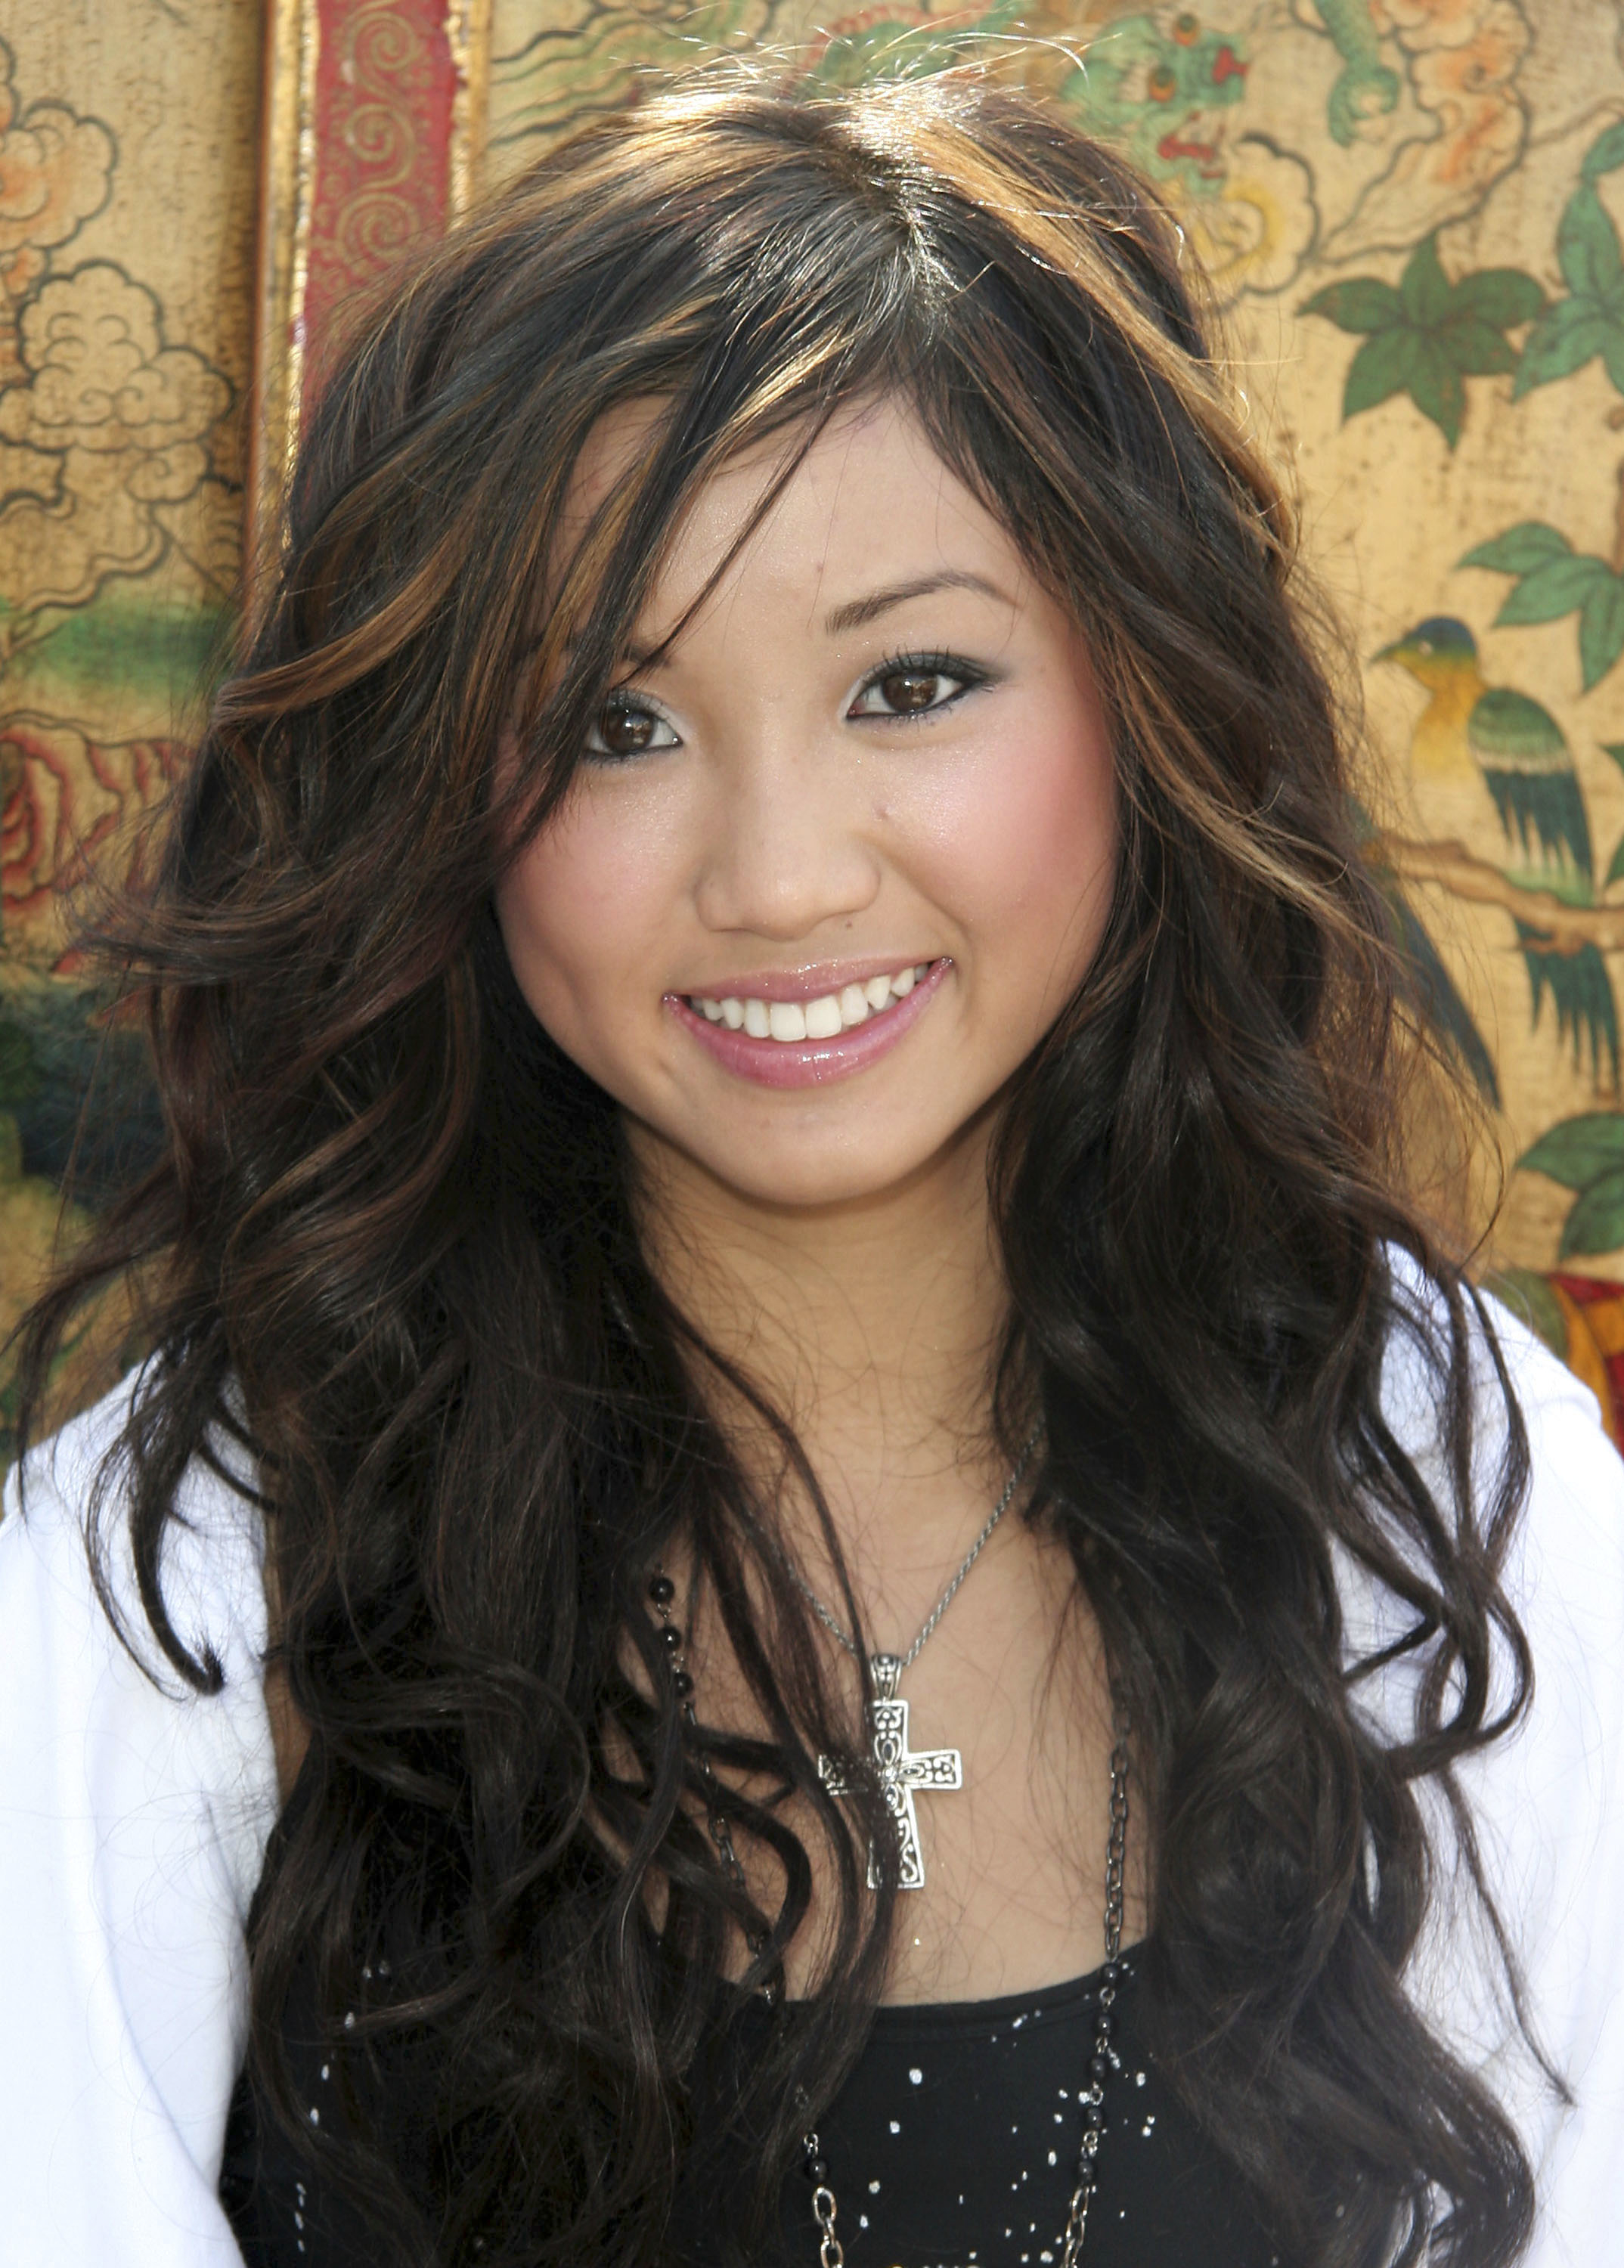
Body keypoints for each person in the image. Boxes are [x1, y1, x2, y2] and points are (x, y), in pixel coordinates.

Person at [2, 69, 1621, 2268]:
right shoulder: (185, 1561)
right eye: (611, 723)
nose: (773, 878)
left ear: (1148, 702)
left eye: (913, 682)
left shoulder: (1436, 1479)